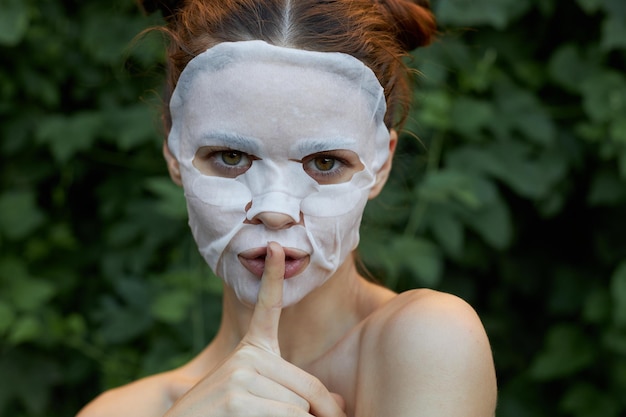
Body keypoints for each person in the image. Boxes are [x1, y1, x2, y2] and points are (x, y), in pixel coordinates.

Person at [77, 0, 497, 416]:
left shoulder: (430, 339)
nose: (275, 212)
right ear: (174, 150)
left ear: (381, 163)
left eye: (325, 163)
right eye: (230, 156)